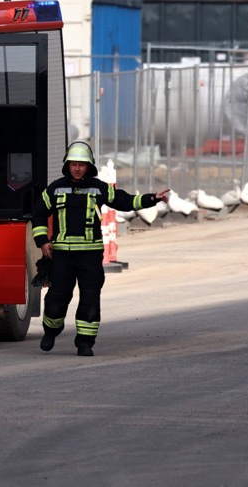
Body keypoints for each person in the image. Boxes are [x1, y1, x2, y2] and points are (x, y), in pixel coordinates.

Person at [32, 141, 169, 356]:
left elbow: (125, 201)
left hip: (90, 256)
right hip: (62, 257)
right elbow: (38, 213)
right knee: (56, 299)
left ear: (90, 166)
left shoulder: (99, 188)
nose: (77, 168)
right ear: (67, 165)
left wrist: (152, 198)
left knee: (90, 300)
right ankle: (51, 331)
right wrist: (42, 241)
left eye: (82, 165)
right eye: (73, 164)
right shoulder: (55, 188)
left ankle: (85, 343)